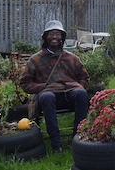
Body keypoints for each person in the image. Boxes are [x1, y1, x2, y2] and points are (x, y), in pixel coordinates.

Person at [19, 20, 89, 153]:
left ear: (62, 37)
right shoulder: (35, 60)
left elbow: (84, 78)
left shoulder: (72, 58)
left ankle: (78, 137)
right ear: (45, 37)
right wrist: (41, 88)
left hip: (69, 95)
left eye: (58, 34)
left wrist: (78, 87)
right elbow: (25, 83)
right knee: (47, 96)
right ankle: (56, 143)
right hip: (48, 97)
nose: (55, 37)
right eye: (51, 34)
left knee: (81, 94)